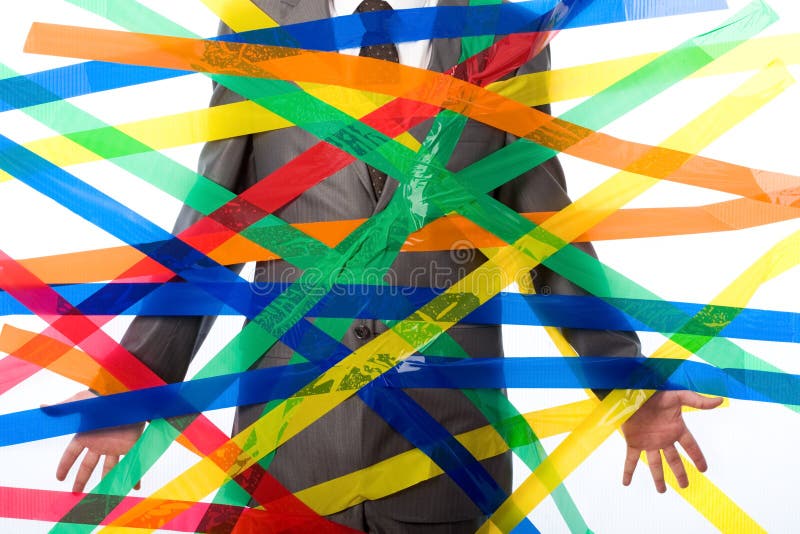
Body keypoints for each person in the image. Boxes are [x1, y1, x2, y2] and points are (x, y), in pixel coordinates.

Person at [55, 1, 722, 531]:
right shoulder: (258, 24)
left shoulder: (505, 33)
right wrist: (135, 383)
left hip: (448, 454)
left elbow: (544, 232)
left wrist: (625, 382)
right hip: (287, 449)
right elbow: (212, 231)